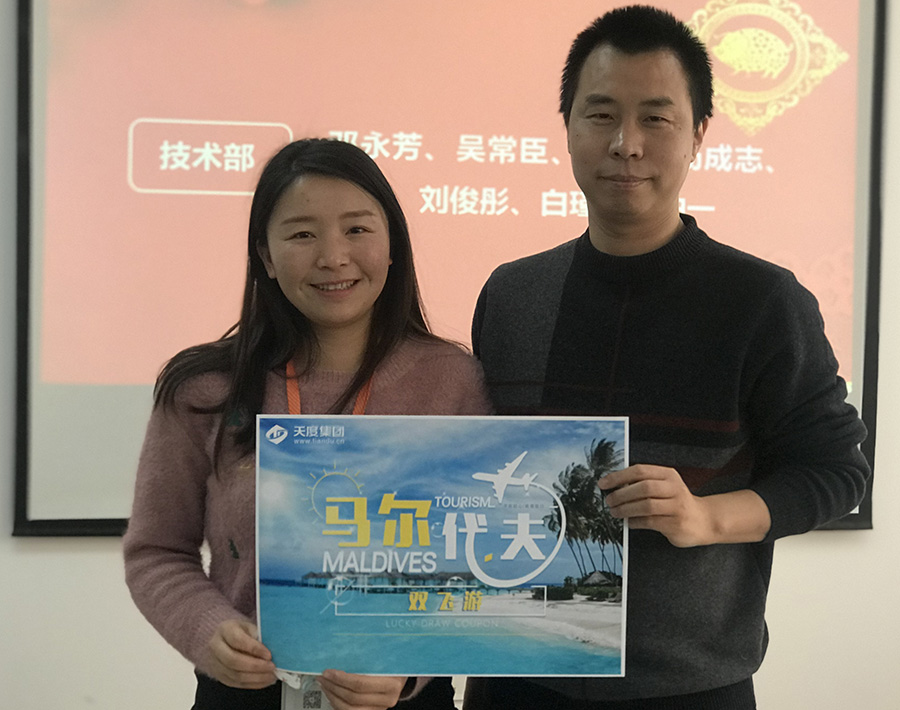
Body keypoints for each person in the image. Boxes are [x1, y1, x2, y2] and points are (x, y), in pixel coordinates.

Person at [467, 6, 869, 710]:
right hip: (518, 675)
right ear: (568, 127)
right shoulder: (513, 294)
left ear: (698, 134)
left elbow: (837, 472)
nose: (626, 144)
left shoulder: (761, 301)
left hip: (689, 685)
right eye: (601, 115)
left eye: (655, 118)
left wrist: (705, 517)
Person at [124, 138, 491, 710]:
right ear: (266, 257)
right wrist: (207, 629)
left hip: (400, 697)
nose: (333, 257)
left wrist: (410, 667)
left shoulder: (453, 381)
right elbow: (156, 550)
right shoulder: (204, 390)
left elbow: (482, 564)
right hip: (246, 692)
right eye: (301, 235)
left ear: (392, 245)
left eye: (357, 229)